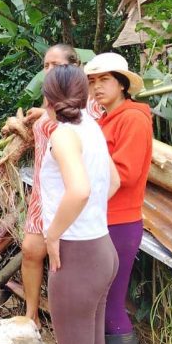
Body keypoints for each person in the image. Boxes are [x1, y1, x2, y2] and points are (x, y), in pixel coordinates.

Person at [40, 65, 120, 344]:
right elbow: (113, 182)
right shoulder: (92, 127)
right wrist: (89, 215)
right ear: (84, 95)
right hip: (102, 249)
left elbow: (80, 190)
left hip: (76, 256)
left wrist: (53, 233)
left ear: (49, 99)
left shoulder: (64, 135)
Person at [85, 52, 152, 344]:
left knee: (111, 303)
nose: (97, 87)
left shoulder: (133, 119)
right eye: (92, 81)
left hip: (120, 223)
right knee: (100, 302)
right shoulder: (106, 120)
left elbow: (123, 174)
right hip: (101, 220)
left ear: (123, 85)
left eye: (105, 80)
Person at [20, 44, 103, 328]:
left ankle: (71, 322)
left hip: (70, 191)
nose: (49, 70)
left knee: (66, 259)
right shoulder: (49, 102)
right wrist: (36, 115)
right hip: (42, 191)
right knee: (31, 250)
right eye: (46, 65)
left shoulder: (87, 103)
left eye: (56, 65)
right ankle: (31, 316)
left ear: (74, 67)